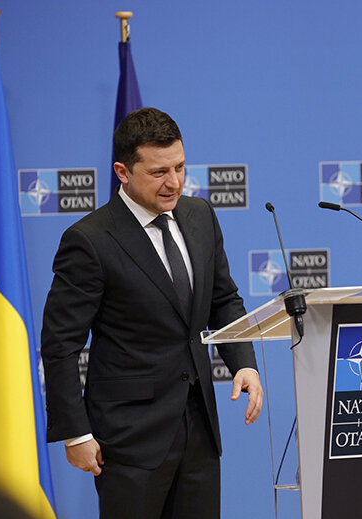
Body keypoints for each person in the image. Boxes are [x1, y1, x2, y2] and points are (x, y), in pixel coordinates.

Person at [41, 107, 262, 518]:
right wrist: (75, 432)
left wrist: (243, 363)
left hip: (199, 430)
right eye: (159, 172)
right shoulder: (89, 241)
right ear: (123, 172)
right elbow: (60, 346)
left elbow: (223, 299)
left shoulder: (199, 215)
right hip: (128, 440)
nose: (174, 182)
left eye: (179, 166)